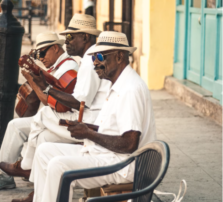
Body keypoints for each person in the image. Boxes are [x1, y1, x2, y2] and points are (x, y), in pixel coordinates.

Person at [27, 31, 156, 202]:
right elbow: (113, 129)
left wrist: (89, 134)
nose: (95, 62)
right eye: (94, 57)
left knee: (58, 166)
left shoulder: (130, 89)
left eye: (101, 56)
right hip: (108, 154)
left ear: (119, 57)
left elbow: (130, 144)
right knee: (44, 151)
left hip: (122, 164)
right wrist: (87, 129)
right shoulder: (117, 84)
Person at [3, 13, 112, 202]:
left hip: (90, 123)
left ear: (85, 37)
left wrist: (45, 88)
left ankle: (26, 165)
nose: (66, 42)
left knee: (44, 114)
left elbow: (78, 102)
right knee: (43, 139)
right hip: (90, 116)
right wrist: (47, 86)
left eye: (71, 37)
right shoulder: (88, 58)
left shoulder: (89, 61)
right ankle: (38, 194)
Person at [0, 32, 79, 191]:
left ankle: (25, 171)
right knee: (15, 125)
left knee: (25, 129)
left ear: (55, 48)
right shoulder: (57, 67)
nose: (40, 58)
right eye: (37, 55)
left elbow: (52, 102)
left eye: (42, 53)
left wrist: (32, 80)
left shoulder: (68, 68)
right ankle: (8, 174)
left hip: (63, 119)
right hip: (53, 117)